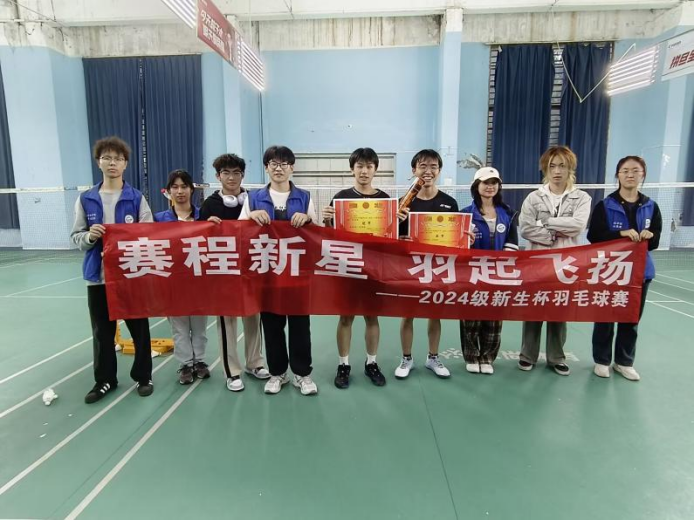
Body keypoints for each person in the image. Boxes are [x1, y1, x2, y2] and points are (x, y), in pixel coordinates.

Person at [71, 136, 154, 403]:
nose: (112, 163)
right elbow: (76, 237)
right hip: (98, 279)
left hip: (130, 277)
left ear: (125, 164)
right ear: (98, 162)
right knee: (102, 333)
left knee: (139, 329)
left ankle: (144, 376)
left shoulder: (136, 198)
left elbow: (149, 234)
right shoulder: (86, 199)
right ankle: (105, 380)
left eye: (117, 158)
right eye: (106, 158)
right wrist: (90, 237)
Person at [239, 145, 319, 395]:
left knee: (300, 327)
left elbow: (317, 234)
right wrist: (251, 216)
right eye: (273, 163)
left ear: (292, 168)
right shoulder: (253, 199)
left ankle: (302, 374)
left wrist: (308, 220)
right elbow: (239, 232)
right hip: (267, 275)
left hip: (297, 274)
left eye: (284, 163)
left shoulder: (304, 198)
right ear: (266, 168)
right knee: (272, 326)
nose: (279, 168)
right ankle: (277, 373)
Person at [517, 145, 591, 376]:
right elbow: (525, 228)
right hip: (537, 264)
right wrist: (552, 234)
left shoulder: (582, 198)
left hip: (566, 266)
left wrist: (546, 222)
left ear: (570, 168)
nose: (557, 171)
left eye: (562, 166)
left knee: (559, 311)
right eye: (552, 166)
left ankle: (556, 358)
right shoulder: (533, 198)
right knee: (533, 310)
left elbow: (578, 225)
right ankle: (527, 355)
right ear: (545, 169)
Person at [587, 156, 661, 381]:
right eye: (625, 170)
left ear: (642, 175)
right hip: (610, 271)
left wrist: (650, 235)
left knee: (631, 319)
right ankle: (601, 360)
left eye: (635, 170)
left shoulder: (651, 206)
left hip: (640, 273)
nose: (630, 174)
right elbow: (594, 236)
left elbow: (655, 241)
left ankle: (624, 362)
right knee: (605, 317)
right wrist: (620, 234)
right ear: (618, 175)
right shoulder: (605, 205)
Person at [199, 153, 269, 392]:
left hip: (251, 269)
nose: (231, 177)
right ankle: (232, 371)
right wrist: (206, 226)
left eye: (236, 172)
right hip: (222, 271)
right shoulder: (209, 205)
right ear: (218, 176)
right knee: (227, 322)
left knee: (253, 317)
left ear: (243, 175)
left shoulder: (254, 200)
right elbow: (197, 239)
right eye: (226, 173)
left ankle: (255, 363)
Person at [322, 147, 389, 389]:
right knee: (346, 317)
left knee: (372, 316)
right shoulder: (341, 197)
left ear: (375, 170)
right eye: (359, 166)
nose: (364, 171)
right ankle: (344, 365)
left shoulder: (385, 200)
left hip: (375, 267)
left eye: (369, 166)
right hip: (347, 266)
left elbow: (392, 237)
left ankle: (372, 363)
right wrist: (327, 219)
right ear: (352, 169)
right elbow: (330, 234)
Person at [395, 149, 459, 380]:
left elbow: (455, 238)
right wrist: (398, 233)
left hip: (438, 268)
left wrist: (465, 237)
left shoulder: (449, 203)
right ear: (414, 170)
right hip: (410, 268)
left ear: (439, 171)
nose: (428, 171)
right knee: (408, 314)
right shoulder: (403, 203)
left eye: (433, 166)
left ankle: (433, 358)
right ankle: (406, 359)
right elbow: (390, 238)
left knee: (435, 314)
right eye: (422, 166)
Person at [459, 167, 518, 375]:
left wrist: (501, 267)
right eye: (485, 182)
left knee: (494, 317)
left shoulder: (508, 213)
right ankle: (471, 356)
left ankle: (487, 357)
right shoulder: (465, 214)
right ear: (476, 186)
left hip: (498, 273)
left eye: (494, 183)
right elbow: (457, 246)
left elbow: (512, 243)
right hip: (472, 273)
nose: (490, 187)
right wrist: (466, 243)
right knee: (471, 316)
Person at [155, 169, 210, 385]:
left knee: (199, 327)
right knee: (179, 328)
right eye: (175, 187)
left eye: (184, 186)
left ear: (191, 190)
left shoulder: (204, 217)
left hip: (199, 282)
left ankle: (200, 361)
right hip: (172, 283)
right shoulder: (158, 219)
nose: (180, 191)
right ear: (168, 191)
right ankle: (185, 364)